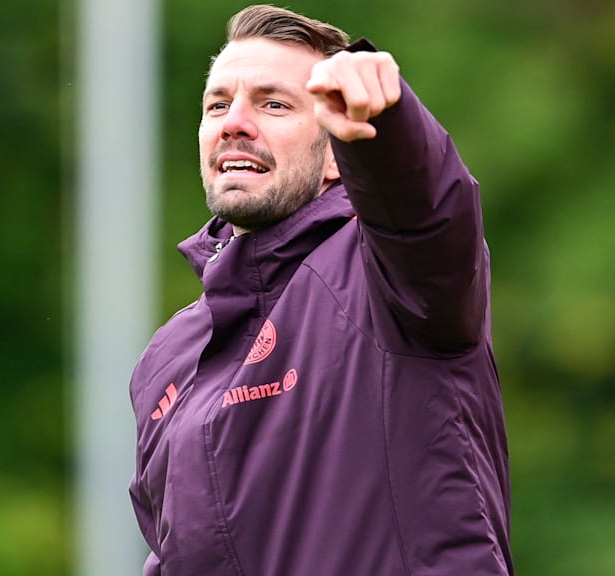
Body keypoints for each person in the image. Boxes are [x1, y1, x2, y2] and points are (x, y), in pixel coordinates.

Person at [128, 5, 513, 575]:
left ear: (336, 149)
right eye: (218, 103)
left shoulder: (387, 275)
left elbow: (427, 215)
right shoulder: (169, 355)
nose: (234, 121)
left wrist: (387, 125)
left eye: (274, 103)